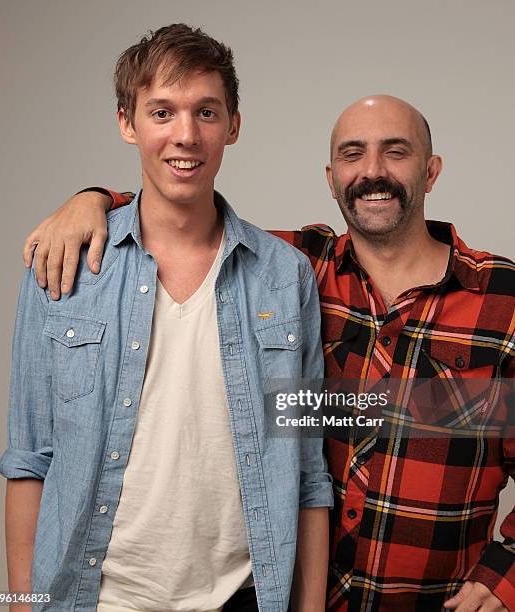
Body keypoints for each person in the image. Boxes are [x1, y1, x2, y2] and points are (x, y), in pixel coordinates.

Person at [26, 91, 515, 611]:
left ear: (431, 171)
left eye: (396, 152)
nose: (373, 171)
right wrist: (93, 199)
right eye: (352, 154)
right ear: (331, 178)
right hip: (300, 598)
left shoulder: (501, 299)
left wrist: (507, 574)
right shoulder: (288, 271)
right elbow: (176, 212)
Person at [0, 24, 334, 612]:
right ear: (127, 123)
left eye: (206, 112)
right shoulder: (62, 266)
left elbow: (306, 470)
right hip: (96, 598)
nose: (186, 135)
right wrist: (23, 605)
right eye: (162, 112)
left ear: (233, 124)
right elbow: (29, 458)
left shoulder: (286, 276)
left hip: (244, 597)